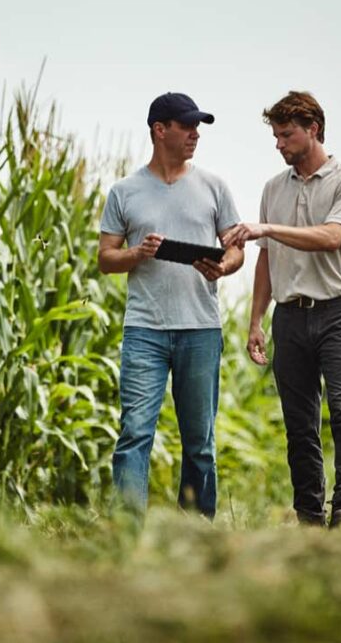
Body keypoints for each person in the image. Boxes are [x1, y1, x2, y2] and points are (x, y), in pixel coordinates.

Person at [222, 90, 341, 528]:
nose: (279, 144)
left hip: (340, 312)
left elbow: (330, 237)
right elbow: (266, 257)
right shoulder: (273, 189)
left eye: (286, 135)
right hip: (288, 317)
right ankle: (308, 511)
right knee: (299, 423)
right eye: (275, 135)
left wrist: (266, 226)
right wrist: (255, 322)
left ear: (314, 130)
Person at [98, 92, 245, 519]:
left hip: (201, 329)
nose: (195, 134)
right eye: (187, 126)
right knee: (135, 434)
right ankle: (128, 530)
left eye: (198, 127)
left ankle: (194, 531)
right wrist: (137, 254)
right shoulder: (124, 192)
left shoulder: (214, 187)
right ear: (160, 130)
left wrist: (224, 267)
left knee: (199, 441)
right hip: (144, 330)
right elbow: (106, 258)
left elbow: (236, 250)